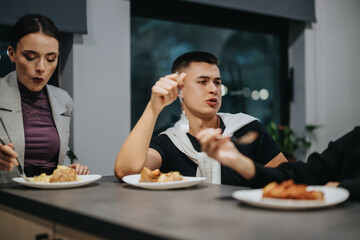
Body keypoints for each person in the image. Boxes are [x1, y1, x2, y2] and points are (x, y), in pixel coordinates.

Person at [115, 51, 287, 185]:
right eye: (203, 82)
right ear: (180, 89)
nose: (213, 89)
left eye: (217, 82)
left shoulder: (247, 128)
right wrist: (153, 108)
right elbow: (126, 172)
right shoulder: (169, 142)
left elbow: (285, 178)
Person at [0, 14, 89, 183]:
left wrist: (73, 166)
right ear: (12, 54)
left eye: (51, 59)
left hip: (50, 198)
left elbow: (64, 151)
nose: (41, 68)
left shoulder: (63, 100)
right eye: (30, 57)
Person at [197, 126, 360, 200]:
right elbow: (306, 174)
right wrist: (239, 161)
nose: (212, 89)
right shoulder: (355, 139)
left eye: (217, 82)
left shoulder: (249, 125)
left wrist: (342, 188)